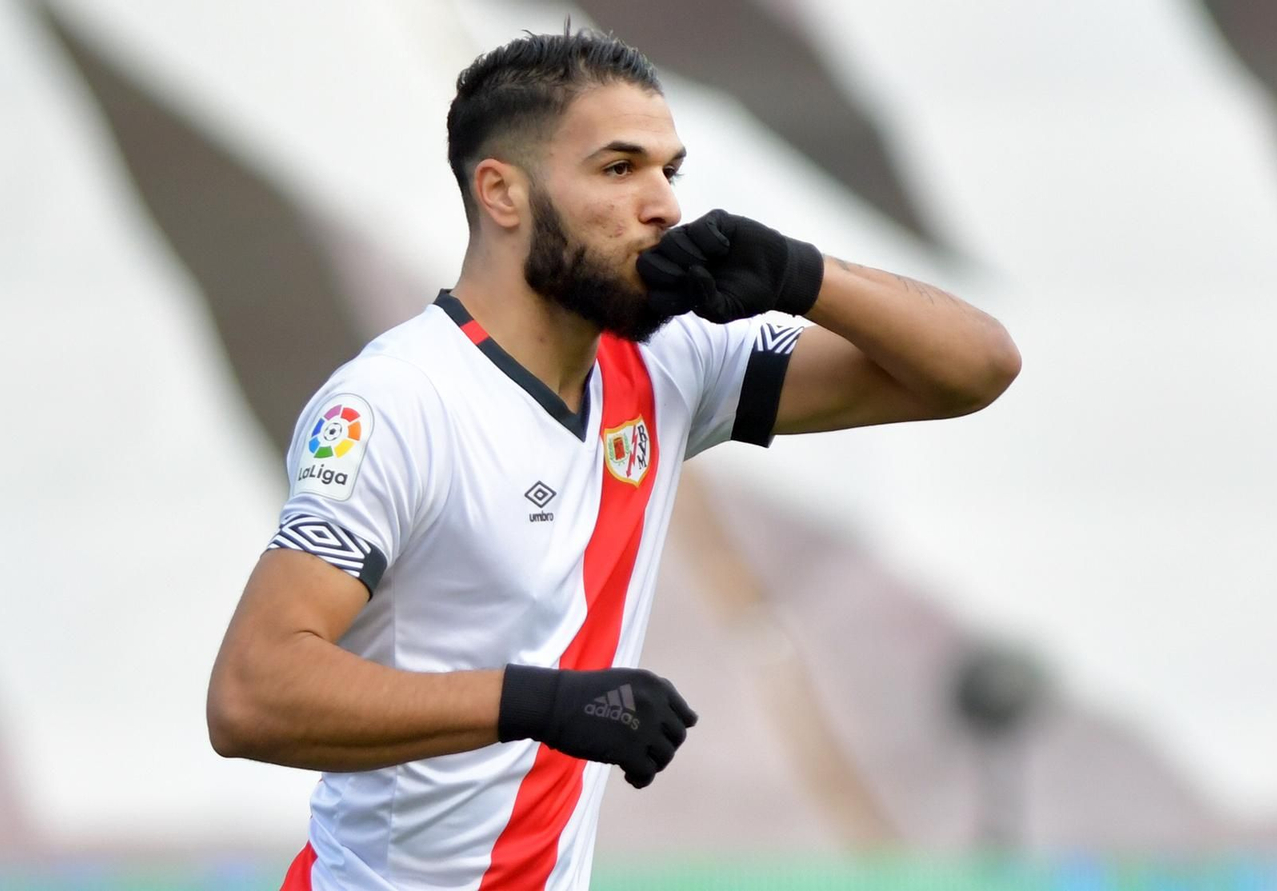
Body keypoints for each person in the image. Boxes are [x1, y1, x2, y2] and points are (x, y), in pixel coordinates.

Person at [205, 26, 1020, 891]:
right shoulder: (397, 402)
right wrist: (543, 703)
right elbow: (253, 694)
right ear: (502, 194)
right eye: (619, 168)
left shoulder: (668, 365)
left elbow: (975, 368)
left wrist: (801, 273)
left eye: (670, 170)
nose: (664, 204)